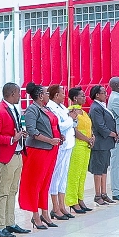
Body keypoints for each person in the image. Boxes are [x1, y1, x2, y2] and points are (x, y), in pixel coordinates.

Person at [19, 82, 62, 229]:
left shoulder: (46, 108)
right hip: (38, 150)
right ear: (39, 95)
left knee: (45, 182)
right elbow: (32, 131)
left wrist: (58, 137)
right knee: (35, 183)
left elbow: (53, 125)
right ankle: (35, 215)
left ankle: (45, 213)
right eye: (46, 93)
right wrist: (50, 139)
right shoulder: (32, 109)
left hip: (51, 149)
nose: (48, 95)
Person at [0, 82, 29, 237]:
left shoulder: (14, 109)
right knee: (3, 191)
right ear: (12, 93)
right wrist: (12, 139)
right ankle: (0, 226)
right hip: (7, 156)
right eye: (19, 93)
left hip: (18, 153)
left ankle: (10, 222)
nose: (21, 96)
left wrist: (21, 135)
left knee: (13, 190)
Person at [46, 84, 78, 221]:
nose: (65, 95)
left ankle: (62, 205)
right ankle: (55, 207)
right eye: (62, 93)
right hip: (60, 145)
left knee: (64, 175)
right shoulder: (52, 108)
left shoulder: (63, 108)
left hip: (68, 144)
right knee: (56, 176)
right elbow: (59, 126)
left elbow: (71, 124)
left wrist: (73, 119)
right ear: (56, 95)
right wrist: (71, 119)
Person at [65, 87, 94, 215]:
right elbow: (74, 130)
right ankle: (72, 200)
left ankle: (80, 198)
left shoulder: (84, 112)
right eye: (82, 95)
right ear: (75, 98)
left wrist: (92, 137)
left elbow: (89, 127)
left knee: (82, 174)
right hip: (77, 145)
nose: (84, 97)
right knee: (74, 174)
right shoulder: (72, 111)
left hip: (86, 145)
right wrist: (87, 139)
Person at [88, 85, 118, 206]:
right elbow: (100, 125)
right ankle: (97, 194)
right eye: (104, 93)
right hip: (100, 143)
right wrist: (112, 133)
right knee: (98, 169)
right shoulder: (95, 108)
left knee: (104, 168)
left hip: (106, 143)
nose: (106, 95)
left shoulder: (102, 106)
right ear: (97, 95)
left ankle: (104, 193)